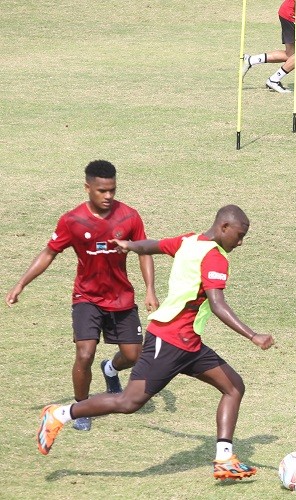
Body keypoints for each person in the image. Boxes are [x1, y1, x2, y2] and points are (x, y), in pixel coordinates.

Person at [35, 205, 276, 480]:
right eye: (240, 234)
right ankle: (60, 414)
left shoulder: (189, 241)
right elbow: (218, 305)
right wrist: (253, 335)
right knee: (129, 402)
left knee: (233, 386)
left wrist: (129, 244)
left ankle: (224, 459)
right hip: (170, 341)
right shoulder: (214, 258)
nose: (241, 242)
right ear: (224, 227)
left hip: (190, 344)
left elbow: (155, 245)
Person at [6, 160, 158, 432]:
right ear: (88, 187)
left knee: (134, 356)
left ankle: (110, 369)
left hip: (121, 298)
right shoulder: (72, 220)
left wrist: (149, 289)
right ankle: (81, 409)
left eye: (112, 190)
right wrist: (21, 284)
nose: (108, 196)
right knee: (84, 353)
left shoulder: (129, 216)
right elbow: (49, 253)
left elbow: (143, 251)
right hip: (86, 298)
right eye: (102, 190)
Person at [241, 0, 296, 93]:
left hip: (291, 14)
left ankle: (251, 60)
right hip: (292, 15)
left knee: (291, 55)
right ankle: (274, 80)